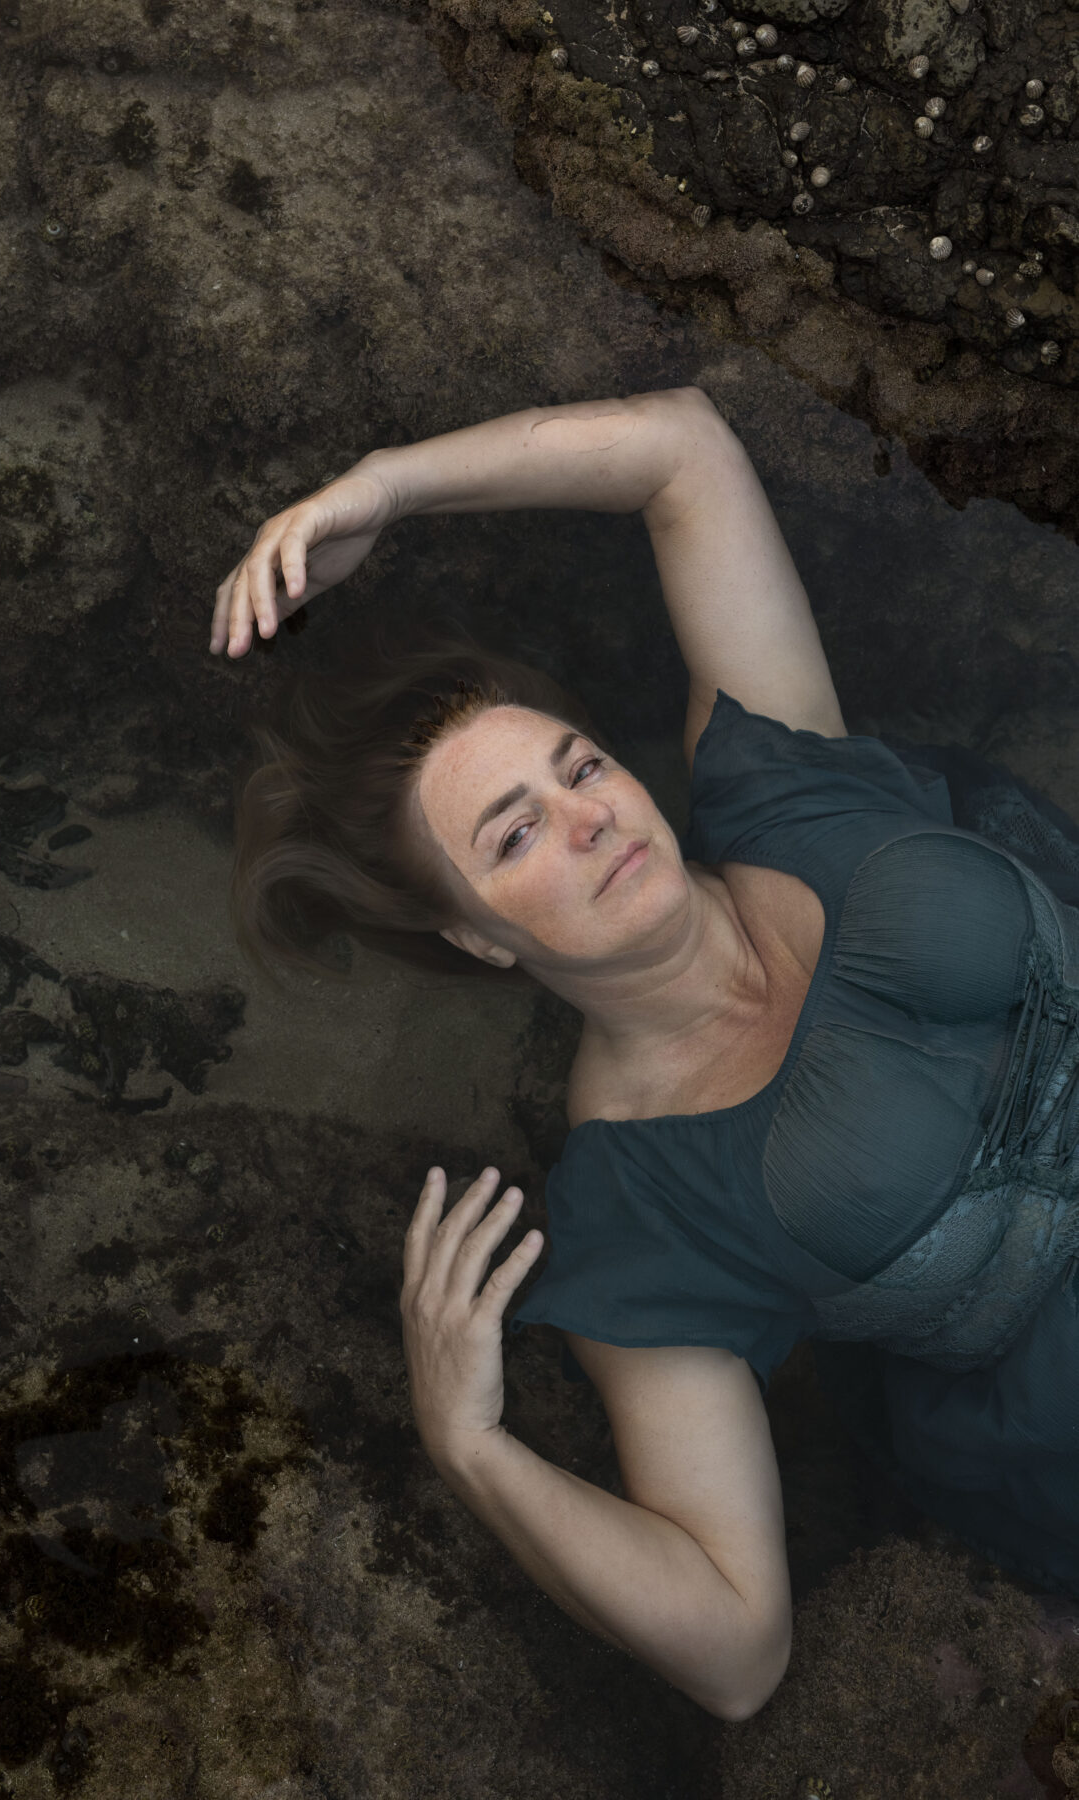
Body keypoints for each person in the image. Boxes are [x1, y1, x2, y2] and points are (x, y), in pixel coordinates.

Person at [209, 386, 1079, 1721]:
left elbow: (680, 450)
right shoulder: (639, 1212)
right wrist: (471, 1447)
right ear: (479, 941)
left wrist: (385, 481)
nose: (587, 819)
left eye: (577, 767)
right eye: (511, 837)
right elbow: (737, 1650)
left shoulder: (779, 780)